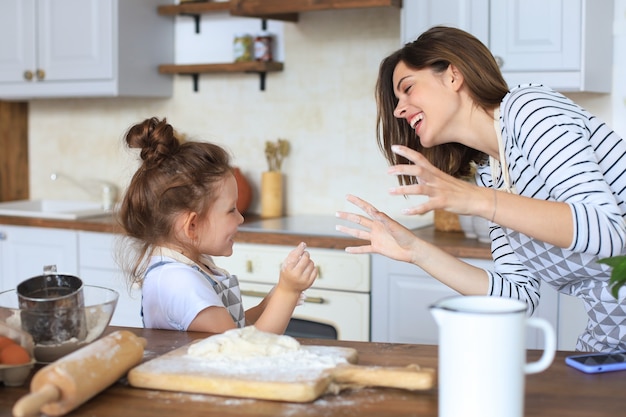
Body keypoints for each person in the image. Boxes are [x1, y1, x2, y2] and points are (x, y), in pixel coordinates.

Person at [336, 26, 626, 352]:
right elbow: (518, 295)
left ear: (452, 76)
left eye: (407, 89)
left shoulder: (529, 109)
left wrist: (478, 201)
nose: (398, 110)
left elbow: (608, 232)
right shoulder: (492, 175)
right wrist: (416, 251)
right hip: (610, 339)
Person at [118, 117, 317, 334]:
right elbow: (245, 355)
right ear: (192, 225)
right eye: (231, 210)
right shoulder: (179, 281)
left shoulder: (191, 265)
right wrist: (287, 293)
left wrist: (269, 302)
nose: (240, 218)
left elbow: (233, 331)